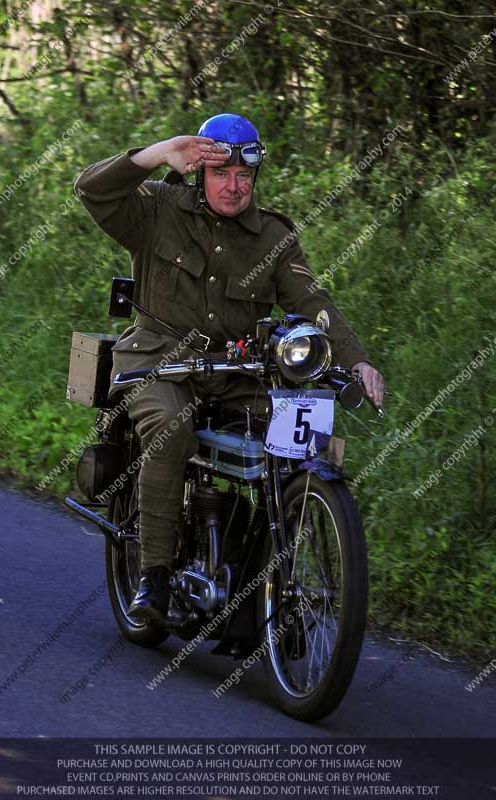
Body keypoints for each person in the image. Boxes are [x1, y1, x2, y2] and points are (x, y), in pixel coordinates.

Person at [74, 113, 384, 625]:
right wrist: (158, 152)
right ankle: (152, 576)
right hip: (159, 358)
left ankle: (268, 583)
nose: (234, 186)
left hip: (238, 371)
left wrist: (358, 359)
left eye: (244, 175)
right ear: (201, 172)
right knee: (172, 433)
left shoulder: (273, 236)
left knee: (307, 442)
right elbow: (92, 190)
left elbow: (310, 298)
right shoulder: (157, 208)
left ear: (255, 176)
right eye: (222, 173)